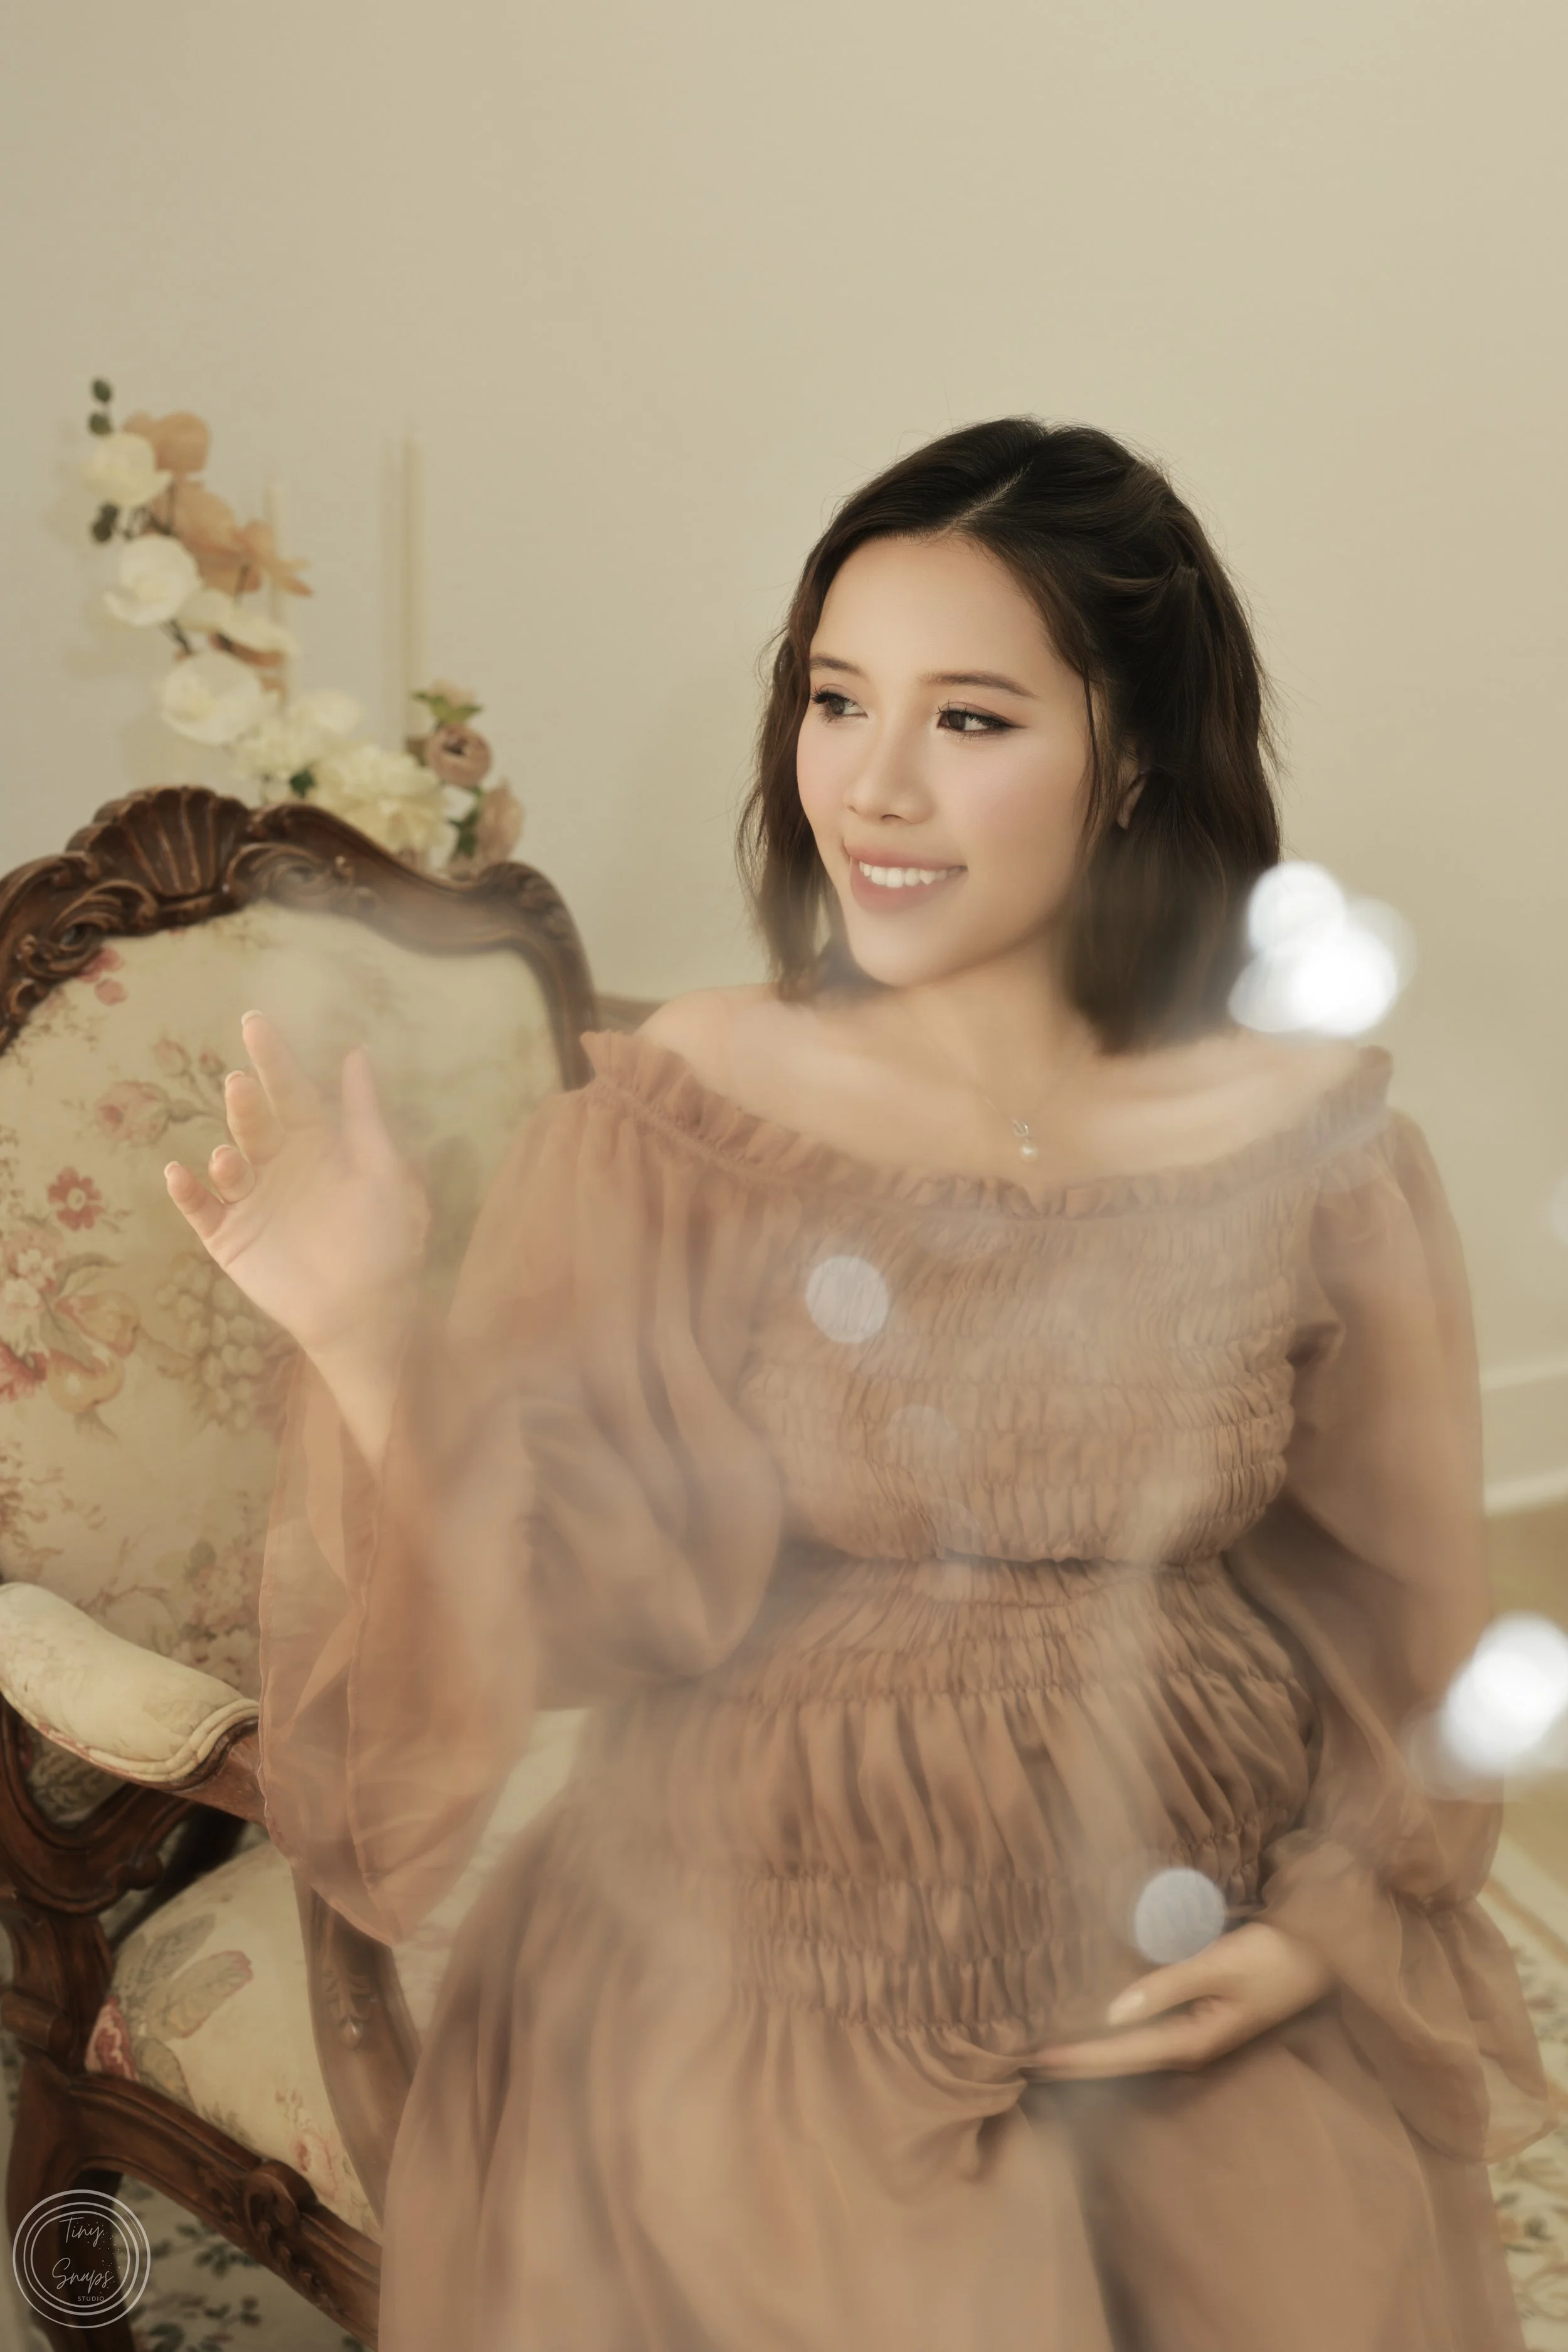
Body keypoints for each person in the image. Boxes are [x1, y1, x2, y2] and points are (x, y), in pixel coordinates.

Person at [165, 418, 1550, 2350]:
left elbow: (1401, 1617)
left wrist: (1321, 1922)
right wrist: (372, 1327)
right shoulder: (688, 1114)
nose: (871, 787)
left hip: (1187, 1922)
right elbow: (570, 1605)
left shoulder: (1305, 1136)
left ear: (1132, 751)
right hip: (770, 1961)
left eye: (971, 719)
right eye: (834, 699)